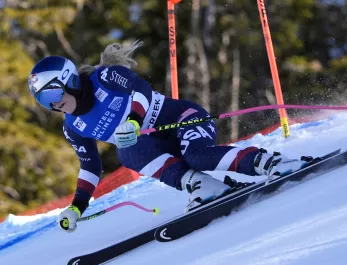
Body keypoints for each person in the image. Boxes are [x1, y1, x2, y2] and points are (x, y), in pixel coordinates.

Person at [28, 42, 312, 232]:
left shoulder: (104, 77)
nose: (53, 105)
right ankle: (204, 186)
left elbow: (141, 90)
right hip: (156, 145)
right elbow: (90, 167)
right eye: (44, 101)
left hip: (182, 118)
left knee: (197, 155)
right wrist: (77, 207)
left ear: (71, 81)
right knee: (126, 153)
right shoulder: (73, 126)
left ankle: (272, 163)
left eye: (53, 94)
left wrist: (133, 121)